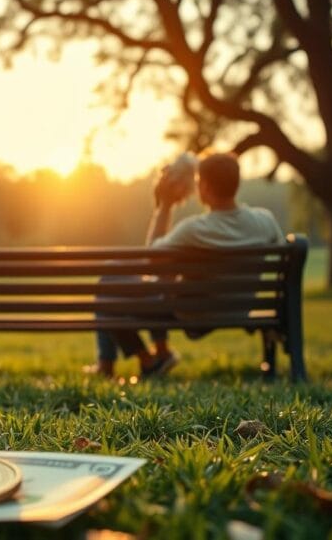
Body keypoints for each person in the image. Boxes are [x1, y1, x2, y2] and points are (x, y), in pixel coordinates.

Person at [91, 151, 285, 379]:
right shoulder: (265, 220)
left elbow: (151, 261)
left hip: (194, 314)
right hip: (240, 308)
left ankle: (146, 361)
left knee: (108, 288)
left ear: (204, 188)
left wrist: (164, 205)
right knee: (151, 284)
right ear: (237, 183)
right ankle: (158, 355)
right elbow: (282, 255)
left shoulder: (193, 229)